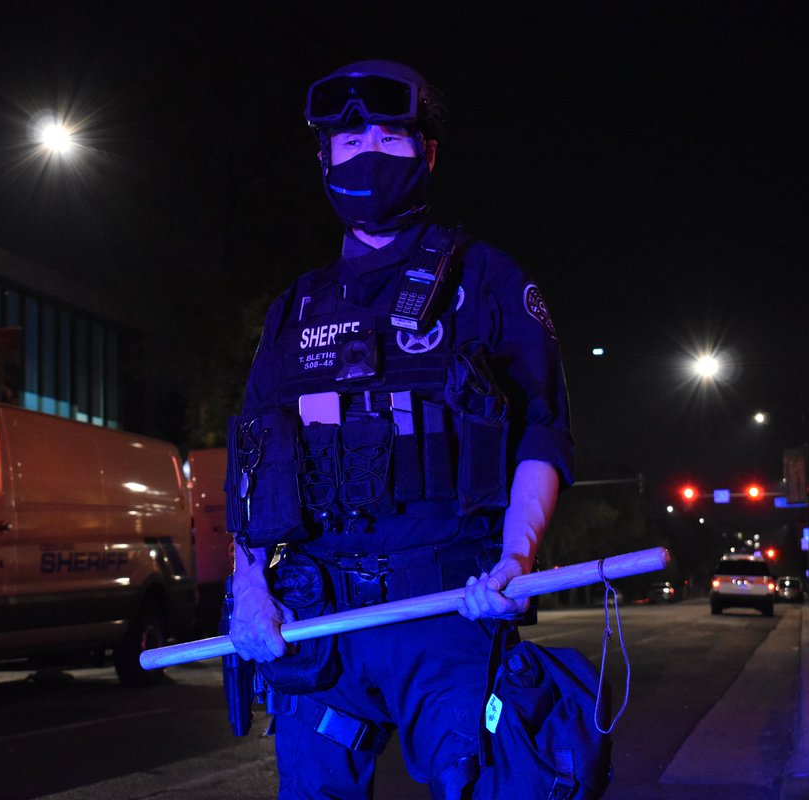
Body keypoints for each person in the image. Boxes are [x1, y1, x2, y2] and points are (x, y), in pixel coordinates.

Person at [227, 59, 574, 799]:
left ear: (429, 153)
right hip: (318, 625)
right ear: (323, 159)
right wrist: (249, 593)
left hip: (447, 609)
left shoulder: (487, 279)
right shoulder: (297, 308)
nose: (369, 156)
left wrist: (516, 558)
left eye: (390, 139)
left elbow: (544, 431)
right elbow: (253, 466)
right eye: (349, 145)